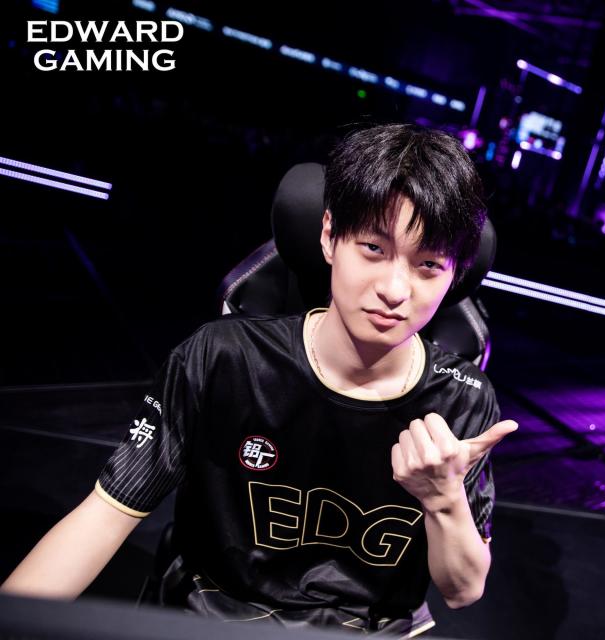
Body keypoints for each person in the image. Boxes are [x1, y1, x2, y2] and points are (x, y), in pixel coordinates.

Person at [1, 124, 517, 637]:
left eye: (428, 264)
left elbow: (463, 590)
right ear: (329, 236)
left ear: (455, 275)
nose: (395, 289)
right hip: (215, 614)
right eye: (373, 248)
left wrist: (443, 498)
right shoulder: (221, 358)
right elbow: (106, 513)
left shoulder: (461, 399)